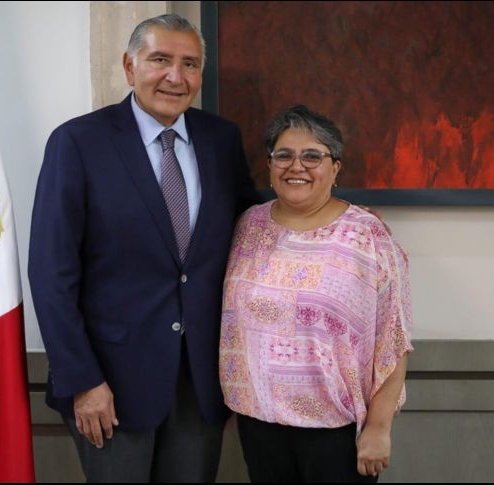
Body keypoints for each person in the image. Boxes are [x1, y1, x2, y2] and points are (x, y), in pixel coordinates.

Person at [28, 14, 257, 483]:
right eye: (161, 60)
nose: (176, 76)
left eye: (190, 63)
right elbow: (51, 274)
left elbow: (254, 224)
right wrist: (83, 381)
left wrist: (337, 218)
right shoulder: (77, 142)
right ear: (130, 67)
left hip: (198, 385)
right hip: (109, 385)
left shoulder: (221, 140)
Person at [219, 105, 413, 483]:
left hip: (335, 431)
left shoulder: (368, 236)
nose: (297, 166)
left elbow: (394, 339)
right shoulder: (246, 225)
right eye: (284, 155)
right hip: (258, 423)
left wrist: (378, 428)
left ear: (335, 167)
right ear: (270, 165)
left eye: (312, 155)